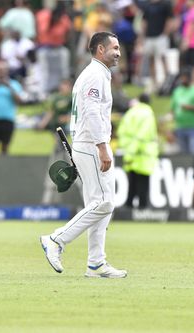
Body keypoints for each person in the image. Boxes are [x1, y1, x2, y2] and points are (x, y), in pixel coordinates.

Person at [40, 32, 127, 278]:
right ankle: (55, 239)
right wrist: (102, 146)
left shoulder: (96, 74)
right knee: (104, 203)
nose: (119, 53)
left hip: (90, 143)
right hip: (91, 144)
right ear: (100, 50)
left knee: (99, 205)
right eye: (115, 48)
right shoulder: (94, 75)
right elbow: (90, 112)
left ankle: (96, 264)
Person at [117, 93, 159, 209]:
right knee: (143, 183)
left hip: (130, 153)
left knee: (132, 182)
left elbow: (121, 131)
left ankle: (129, 207)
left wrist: (128, 149)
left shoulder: (130, 113)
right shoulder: (148, 114)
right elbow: (143, 134)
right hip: (144, 153)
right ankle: (142, 208)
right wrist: (135, 148)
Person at [38, 79, 73, 204]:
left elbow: (77, 114)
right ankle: (48, 200)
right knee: (57, 157)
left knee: (69, 160)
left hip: (67, 133)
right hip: (56, 132)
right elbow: (51, 112)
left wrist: (67, 118)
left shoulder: (72, 98)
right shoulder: (55, 98)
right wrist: (43, 124)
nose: (64, 88)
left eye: (66, 85)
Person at [0, 61, 24, 155]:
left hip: (8, 119)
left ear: (7, 71)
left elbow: (19, 101)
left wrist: (9, 87)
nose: (1, 72)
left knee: (5, 147)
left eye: (3, 70)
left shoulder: (14, 84)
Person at [170, 67, 194, 154]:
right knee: (182, 153)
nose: (183, 79)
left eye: (185, 77)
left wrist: (190, 107)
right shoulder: (177, 91)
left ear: (190, 77)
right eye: (181, 77)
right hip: (180, 126)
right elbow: (173, 109)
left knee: (193, 151)